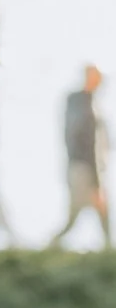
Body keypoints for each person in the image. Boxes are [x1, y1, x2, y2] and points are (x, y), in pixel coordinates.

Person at [58, 65, 108, 245]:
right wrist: (96, 183)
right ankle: (52, 245)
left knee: (103, 212)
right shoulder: (81, 104)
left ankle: (109, 248)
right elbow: (86, 143)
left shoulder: (90, 102)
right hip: (82, 168)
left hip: (84, 166)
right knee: (75, 215)